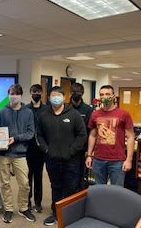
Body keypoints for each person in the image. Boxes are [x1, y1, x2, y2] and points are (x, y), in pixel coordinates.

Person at [0, 84, 35, 224]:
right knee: (5, 183)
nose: (14, 96)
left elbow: (30, 133)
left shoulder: (28, 113)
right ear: (8, 95)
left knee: (25, 184)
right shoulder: (2, 112)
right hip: (3, 154)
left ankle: (23, 208)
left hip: (20, 154)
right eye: (11, 93)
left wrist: (15, 138)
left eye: (17, 93)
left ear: (21, 95)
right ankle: (9, 209)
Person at [37, 86, 87, 226]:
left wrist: (71, 151)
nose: (56, 98)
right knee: (56, 187)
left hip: (71, 160)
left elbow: (82, 135)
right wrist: (47, 150)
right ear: (49, 97)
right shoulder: (43, 115)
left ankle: (70, 216)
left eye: (58, 95)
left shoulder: (74, 114)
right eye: (53, 95)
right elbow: (39, 136)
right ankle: (56, 214)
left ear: (64, 97)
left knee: (71, 187)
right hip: (52, 159)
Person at [85, 85, 134, 186]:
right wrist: (89, 155)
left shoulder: (124, 114)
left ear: (113, 96)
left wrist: (129, 159)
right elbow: (92, 135)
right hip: (98, 159)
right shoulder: (95, 114)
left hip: (117, 160)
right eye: (102, 95)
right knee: (99, 189)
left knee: (117, 191)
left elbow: (130, 137)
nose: (104, 97)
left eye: (107, 94)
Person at [26, 84, 48, 213]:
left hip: (40, 149)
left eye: (39, 91)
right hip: (28, 148)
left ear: (42, 93)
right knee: (27, 177)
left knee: (39, 176)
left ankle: (38, 202)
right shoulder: (25, 109)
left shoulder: (46, 109)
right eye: (34, 91)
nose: (36, 93)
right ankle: (27, 202)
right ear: (30, 92)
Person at [69, 83, 93, 190]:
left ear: (82, 94)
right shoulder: (65, 107)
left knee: (82, 177)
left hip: (82, 149)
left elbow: (90, 131)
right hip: (68, 148)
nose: (76, 95)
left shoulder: (88, 109)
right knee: (70, 177)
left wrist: (89, 151)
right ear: (70, 93)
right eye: (74, 93)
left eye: (78, 93)